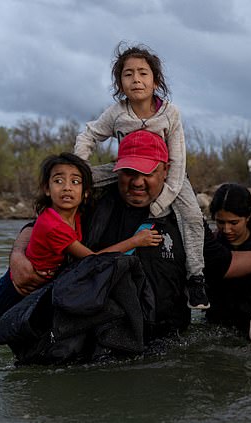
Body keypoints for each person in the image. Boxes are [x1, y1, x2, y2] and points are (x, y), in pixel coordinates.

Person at [10, 134, 251, 339]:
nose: (138, 182)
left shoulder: (184, 214)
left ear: (165, 171)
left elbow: (222, 263)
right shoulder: (95, 200)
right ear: (117, 169)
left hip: (166, 339)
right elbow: (45, 224)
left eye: (148, 172)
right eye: (129, 172)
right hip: (97, 330)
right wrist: (18, 255)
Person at [0, 152, 162, 336]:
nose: (67, 188)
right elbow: (93, 260)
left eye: (75, 182)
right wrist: (135, 241)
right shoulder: (54, 225)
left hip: (33, 287)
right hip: (17, 288)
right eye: (59, 181)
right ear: (47, 189)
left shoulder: (75, 214)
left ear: (86, 192)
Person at [73, 42, 209, 310]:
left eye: (143, 73)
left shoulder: (170, 113)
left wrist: (162, 202)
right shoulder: (116, 113)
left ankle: (196, 278)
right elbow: (88, 134)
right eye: (128, 74)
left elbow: (178, 160)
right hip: (125, 167)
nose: (136, 79)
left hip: (167, 174)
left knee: (193, 216)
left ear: (155, 80)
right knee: (79, 179)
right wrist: (78, 166)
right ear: (120, 83)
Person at [204, 183, 251, 331]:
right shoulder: (211, 245)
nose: (226, 229)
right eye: (220, 222)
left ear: (248, 216)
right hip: (216, 326)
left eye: (233, 223)